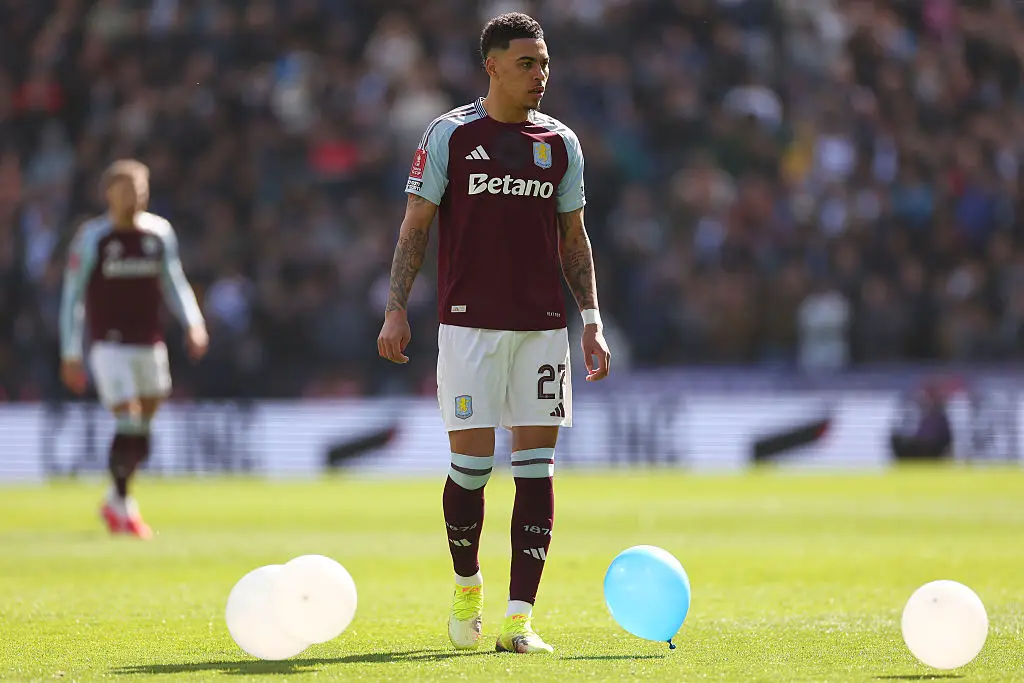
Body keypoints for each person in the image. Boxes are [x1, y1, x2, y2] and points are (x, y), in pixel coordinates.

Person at [377, 12, 611, 654]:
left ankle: (518, 619)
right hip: (467, 326)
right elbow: (416, 226)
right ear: (493, 66)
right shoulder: (450, 135)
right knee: (473, 471)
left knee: (536, 470)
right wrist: (396, 307)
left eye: (545, 63)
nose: (541, 75)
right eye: (527, 63)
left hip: (541, 329)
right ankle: (466, 585)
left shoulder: (559, 144)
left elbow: (573, 238)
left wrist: (590, 321)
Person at [59, 159, 208, 538]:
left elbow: (174, 281)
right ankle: (125, 507)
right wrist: (70, 351)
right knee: (129, 417)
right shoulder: (93, 238)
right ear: (109, 193)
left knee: (143, 425)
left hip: (149, 342)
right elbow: (73, 296)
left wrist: (193, 322)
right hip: (110, 344)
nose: (135, 197)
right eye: (127, 190)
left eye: (141, 190)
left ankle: (114, 498)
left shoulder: (159, 233)